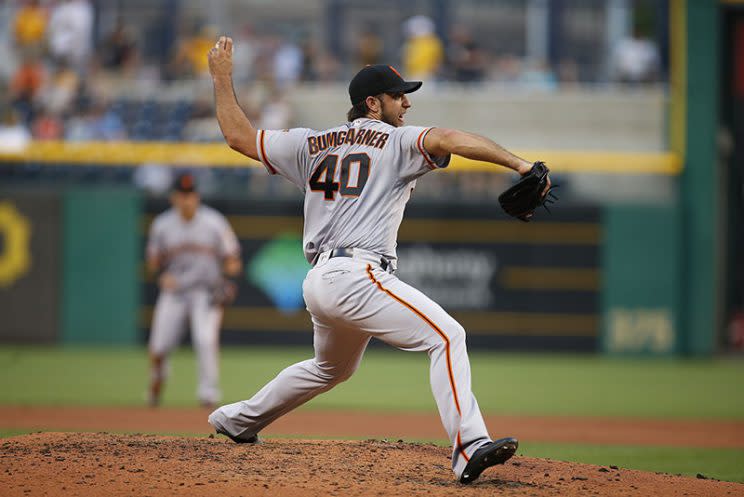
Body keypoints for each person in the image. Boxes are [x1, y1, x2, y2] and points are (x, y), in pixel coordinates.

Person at [206, 36, 550, 484]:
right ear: (372, 103)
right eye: (397, 95)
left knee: (331, 368)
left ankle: (238, 420)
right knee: (447, 336)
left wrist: (221, 76)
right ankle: (468, 447)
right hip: (356, 275)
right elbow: (448, 137)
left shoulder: (309, 142)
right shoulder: (397, 141)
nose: (405, 104)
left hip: (320, 280)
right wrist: (521, 166)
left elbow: (237, 137)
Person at [146, 172, 242, 408]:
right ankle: (158, 378)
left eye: (191, 194)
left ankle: (208, 394)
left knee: (205, 339)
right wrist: (161, 275)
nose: (187, 199)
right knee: (158, 346)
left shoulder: (214, 222)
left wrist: (227, 276)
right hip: (175, 292)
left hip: (205, 293)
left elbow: (233, 260)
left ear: (197, 197)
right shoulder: (162, 225)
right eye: (183, 195)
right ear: (174, 198)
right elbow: (153, 262)